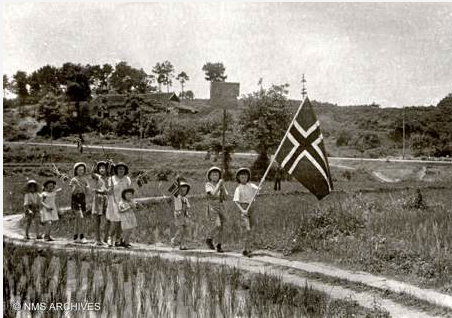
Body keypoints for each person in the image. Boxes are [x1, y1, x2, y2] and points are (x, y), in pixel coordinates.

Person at [233, 168, 259, 257]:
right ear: (238, 177)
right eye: (241, 175)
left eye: (245, 175)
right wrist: (242, 210)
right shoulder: (238, 188)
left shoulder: (251, 186)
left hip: (252, 207)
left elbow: (258, 189)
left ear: (248, 177)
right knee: (247, 229)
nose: (244, 176)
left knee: (251, 228)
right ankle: (245, 249)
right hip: (243, 208)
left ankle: (247, 248)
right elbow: (236, 201)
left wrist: (259, 187)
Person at [106, 162, 132, 247]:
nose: (121, 170)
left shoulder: (127, 179)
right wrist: (111, 187)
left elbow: (129, 192)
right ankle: (109, 238)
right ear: (116, 169)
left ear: (125, 170)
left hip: (124, 203)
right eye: (119, 168)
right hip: (114, 202)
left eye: (123, 169)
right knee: (115, 221)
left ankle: (118, 240)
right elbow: (108, 192)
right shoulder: (112, 178)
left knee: (122, 222)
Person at [205, 166, 227, 253]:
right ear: (209, 176)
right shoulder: (208, 185)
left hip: (221, 206)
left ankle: (219, 245)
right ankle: (209, 239)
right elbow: (213, 194)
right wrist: (219, 185)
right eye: (213, 175)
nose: (215, 176)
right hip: (213, 207)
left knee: (221, 227)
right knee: (217, 225)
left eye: (217, 175)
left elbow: (225, 197)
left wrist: (223, 188)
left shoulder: (221, 184)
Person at [69, 162, 90, 243]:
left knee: (79, 219)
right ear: (76, 170)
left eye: (82, 169)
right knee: (80, 217)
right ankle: (82, 237)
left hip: (82, 198)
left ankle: (75, 237)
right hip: (75, 199)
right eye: (79, 169)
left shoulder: (85, 179)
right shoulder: (74, 179)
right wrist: (75, 187)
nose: (81, 171)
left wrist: (87, 187)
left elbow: (87, 192)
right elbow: (72, 193)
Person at [91, 161, 109, 246]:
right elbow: (91, 173)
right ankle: (97, 239)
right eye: (100, 168)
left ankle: (106, 238)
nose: (102, 169)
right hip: (98, 198)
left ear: (106, 169)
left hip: (106, 198)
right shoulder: (97, 176)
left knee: (108, 218)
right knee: (97, 219)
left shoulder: (109, 177)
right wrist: (94, 165)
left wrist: (110, 163)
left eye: (104, 168)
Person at [171, 181, 191, 250]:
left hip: (184, 214)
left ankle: (182, 244)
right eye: (182, 190)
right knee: (181, 229)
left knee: (185, 230)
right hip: (179, 214)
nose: (183, 192)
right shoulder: (177, 197)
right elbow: (173, 192)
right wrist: (177, 182)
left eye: (185, 190)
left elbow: (187, 207)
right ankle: (174, 240)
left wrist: (187, 213)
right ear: (178, 190)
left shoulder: (185, 199)